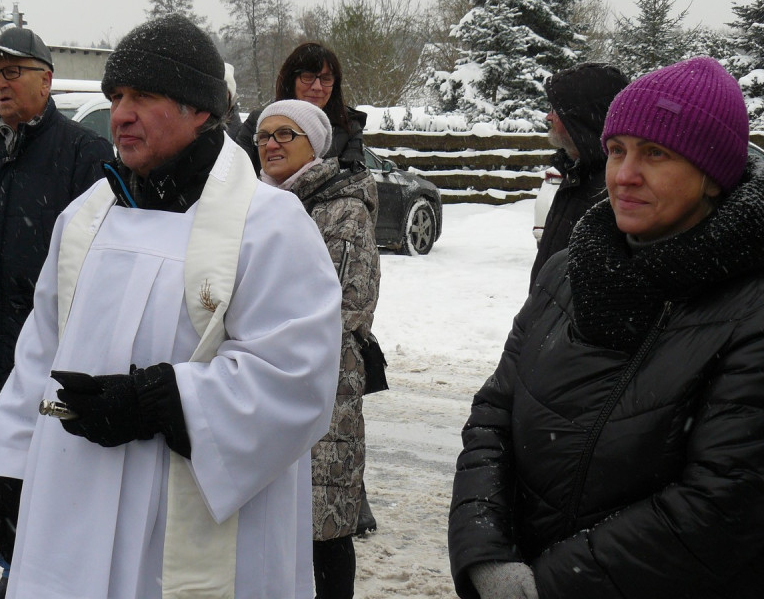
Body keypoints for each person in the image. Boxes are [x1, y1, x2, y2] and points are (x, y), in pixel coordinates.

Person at [0, 14, 343, 598]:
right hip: (74, 504)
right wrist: (12, 464)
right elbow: (39, 351)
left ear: (200, 110)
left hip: (196, 518)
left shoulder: (267, 226)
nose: (120, 114)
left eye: (143, 97)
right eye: (115, 96)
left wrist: (166, 401)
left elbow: (297, 377)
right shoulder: (87, 218)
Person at [448, 57, 764, 599]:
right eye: (617, 149)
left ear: (713, 175)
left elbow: (722, 501)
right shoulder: (566, 271)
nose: (624, 174)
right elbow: (494, 417)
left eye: (655, 153)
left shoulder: (750, 306)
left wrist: (550, 586)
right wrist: (487, 553)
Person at [0, 25, 113, 598]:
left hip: (45, 356)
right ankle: (14, 570)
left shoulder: (83, 154)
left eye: (11, 72)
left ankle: (44, 576)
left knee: (43, 483)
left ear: (45, 81)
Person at [255, 100, 380, 599]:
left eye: (286, 134)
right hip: (260, 375)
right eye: (264, 135)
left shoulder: (341, 205)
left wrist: (264, 326)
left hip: (326, 379)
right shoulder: (254, 203)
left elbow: (349, 302)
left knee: (324, 519)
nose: (271, 144)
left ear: (315, 144)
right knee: (271, 515)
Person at [529, 62, 628, 289]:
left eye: (556, 110)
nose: (548, 117)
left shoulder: (613, 188)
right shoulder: (578, 175)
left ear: (581, 119)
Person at [232, 42, 367, 174]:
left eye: (326, 79)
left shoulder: (348, 125)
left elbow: (354, 179)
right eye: (308, 77)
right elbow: (235, 173)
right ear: (291, 81)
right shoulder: (259, 123)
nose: (317, 87)